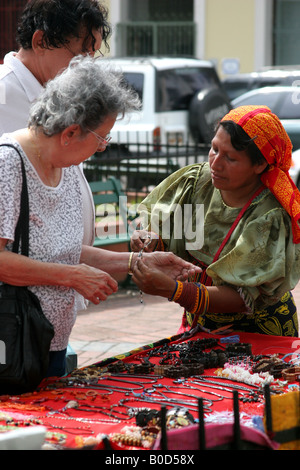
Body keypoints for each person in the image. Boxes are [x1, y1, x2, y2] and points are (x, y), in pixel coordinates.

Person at [0, 56, 200, 377]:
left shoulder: (65, 167)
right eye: (102, 138)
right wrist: (70, 276)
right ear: (70, 132)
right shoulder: (8, 164)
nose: (103, 147)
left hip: (49, 339)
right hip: (11, 341)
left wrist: (137, 262)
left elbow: (66, 252)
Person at [131, 105, 300, 338]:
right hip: (201, 321)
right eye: (214, 149)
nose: (215, 163)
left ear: (260, 165)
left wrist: (176, 291)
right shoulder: (196, 184)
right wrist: (149, 240)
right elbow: (163, 229)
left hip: (258, 331)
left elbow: (242, 299)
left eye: (230, 158)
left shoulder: (269, 216)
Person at [0, 0, 111, 246]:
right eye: (81, 54)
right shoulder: (3, 94)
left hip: (63, 262)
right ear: (41, 42)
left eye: (92, 56)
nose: (85, 67)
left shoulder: (63, 96)